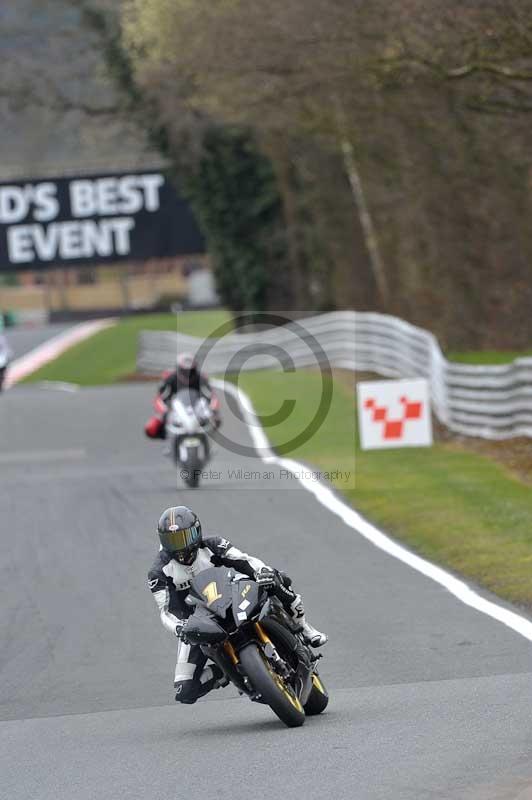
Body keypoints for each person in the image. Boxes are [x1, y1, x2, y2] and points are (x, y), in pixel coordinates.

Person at [147, 505, 328, 705]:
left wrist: (261, 572)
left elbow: (244, 560)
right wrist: (180, 627)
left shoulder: (212, 545)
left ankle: (304, 626)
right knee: (185, 690)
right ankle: (224, 672)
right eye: (172, 541)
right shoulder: (159, 572)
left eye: (184, 537)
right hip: (198, 620)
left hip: (233, 595)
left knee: (277, 578)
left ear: (197, 532)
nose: (180, 547)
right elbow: (166, 611)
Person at [145, 353, 220, 439]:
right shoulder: (170, 378)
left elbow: (211, 396)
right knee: (152, 427)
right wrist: (164, 410)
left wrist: (213, 409)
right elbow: (160, 397)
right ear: (179, 369)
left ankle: (207, 445)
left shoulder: (201, 378)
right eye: (185, 371)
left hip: (196, 408)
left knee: (216, 419)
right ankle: (168, 439)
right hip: (175, 408)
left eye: (190, 371)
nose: (187, 374)